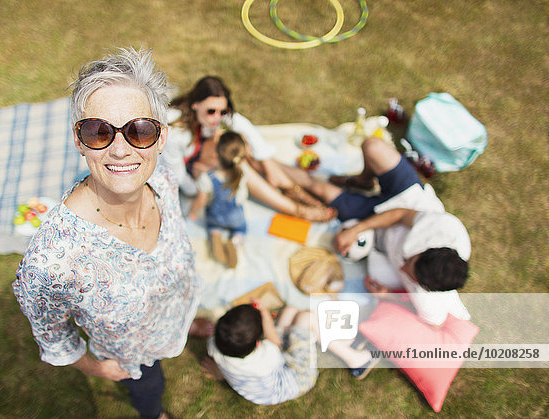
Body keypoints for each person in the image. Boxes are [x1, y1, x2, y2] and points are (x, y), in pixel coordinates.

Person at [12, 48, 208, 419]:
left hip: (174, 309)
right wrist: (94, 367)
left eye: (140, 130)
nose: (120, 149)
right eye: (98, 131)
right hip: (131, 356)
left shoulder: (163, 179)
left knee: (182, 317)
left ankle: (186, 326)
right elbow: (52, 333)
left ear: (161, 137)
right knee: (150, 389)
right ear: (79, 140)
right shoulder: (51, 262)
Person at [277, 136, 472, 326]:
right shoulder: (447, 230)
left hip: (376, 232)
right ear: (430, 247)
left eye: (409, 275)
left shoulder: (429, 300)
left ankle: (265, 162)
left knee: (319, 188)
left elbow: (433, 321)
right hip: (405, 198)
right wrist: (355, 230)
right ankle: (364, 180)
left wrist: (388, 294)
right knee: (373, 146)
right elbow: (400, 214)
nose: (402, 268)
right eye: (409, 262)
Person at [159, 76, 336, 222]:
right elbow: (179, 179)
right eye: (211, 111)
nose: (217, 118)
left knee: (245, 147)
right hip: (190, 171)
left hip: (202, 150)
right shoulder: (174, 133)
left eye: (223, 112)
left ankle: (292, 188)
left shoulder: (207, 115)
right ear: (195, 104)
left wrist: (267, 164)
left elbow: (243, 125)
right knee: (237, 159)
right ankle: (294, 208)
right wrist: (203, 180)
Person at [202, 301, 378, 405]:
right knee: (305, 318)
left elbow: (272, 344)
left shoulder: (214, 347)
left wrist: (220, 374)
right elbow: (276, 344)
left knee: (290, 311)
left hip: (262, 385)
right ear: (258, 343)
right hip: (296, 378)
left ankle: (340, 343)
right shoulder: (266, 356)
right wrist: (263, 312)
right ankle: (356, 360)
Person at [189, 131, 248, 269]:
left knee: (212, 225)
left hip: (215, 216)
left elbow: (201, 200)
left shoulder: (207, 177)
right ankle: (235, 241)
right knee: (241, 228)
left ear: (216, 154)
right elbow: (242, 197)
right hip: (235, 217)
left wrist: (192, 212)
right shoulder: (242, 172)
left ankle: (215, 235)